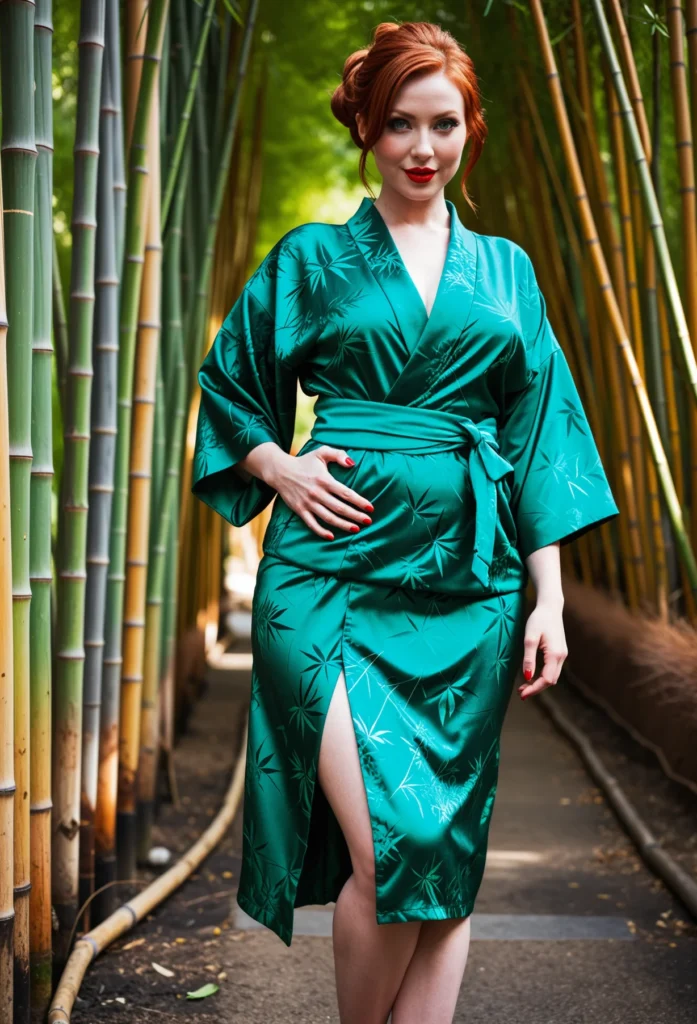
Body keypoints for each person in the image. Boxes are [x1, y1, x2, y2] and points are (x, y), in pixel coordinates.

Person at [191, 20, 620, 1024]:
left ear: (470, 129)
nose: (421, 149)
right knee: (393, 847)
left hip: (468, 591)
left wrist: (548, 597)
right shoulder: (311, 259)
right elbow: (228, 386)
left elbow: (539, 434)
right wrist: (276, 464)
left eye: (442, 125)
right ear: (366, 132)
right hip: (328, 579)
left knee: (442, 860)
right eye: (398, 126)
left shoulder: (507, 270)